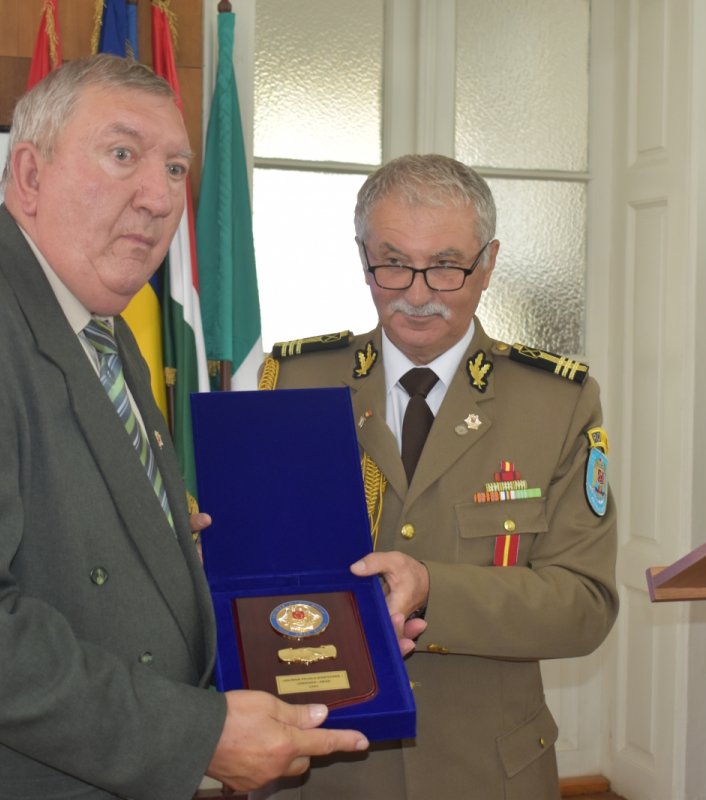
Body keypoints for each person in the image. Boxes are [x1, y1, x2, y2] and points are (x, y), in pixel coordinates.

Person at [0, 54, 368, 800]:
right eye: (123, 154)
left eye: (175, 168)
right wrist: (193, 736)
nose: (159, 197)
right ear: (29, 176)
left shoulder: (104, 334)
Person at [257, 154, 619, 799]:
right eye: (393, 263)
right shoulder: (294, 383)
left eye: (447, 266)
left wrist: (432, 591)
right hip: (326, 767)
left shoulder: (556, 403)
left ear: (489, 263)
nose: (418, 294)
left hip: (487, 772)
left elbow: (584, 606)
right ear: (363, 258)